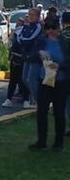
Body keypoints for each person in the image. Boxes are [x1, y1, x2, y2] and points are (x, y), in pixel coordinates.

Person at [29, 17, 68, 152]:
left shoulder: (64, 42)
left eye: (53, 28)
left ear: (58, 28)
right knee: (42, 112)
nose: (51, 31)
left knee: (59, 112)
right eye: (48, 28)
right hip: (45, 79)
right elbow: (32, 56)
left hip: (61, 81)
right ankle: (42, 141)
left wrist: (60, 66)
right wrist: (39, 55)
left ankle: (58, 143)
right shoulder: (42, 41)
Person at [7, 8, 42, 108]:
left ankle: (36, 99)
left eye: (33, 15)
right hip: (26, 55)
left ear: (38, 17)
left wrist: (23, 41)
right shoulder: (26, 26)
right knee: (24, 78)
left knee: (31, 78)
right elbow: (19, 37)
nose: (30, 17)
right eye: (29, 14)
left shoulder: (38, 26)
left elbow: (29, 38)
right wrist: (22, 40)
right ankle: (34, 97)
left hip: (34, 56)